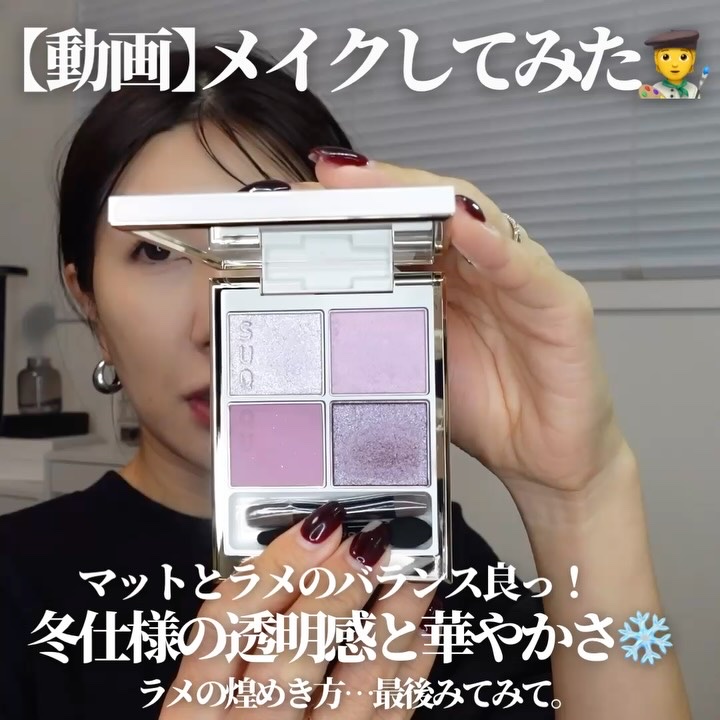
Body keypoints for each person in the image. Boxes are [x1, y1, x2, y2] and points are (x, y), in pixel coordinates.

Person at [0, 42, 691, 720]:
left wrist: (581, 495)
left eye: (271, 232)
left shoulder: (427, 553)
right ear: (88, 302)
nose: (222, 320)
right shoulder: (17, 584)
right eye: (157, 251)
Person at [644, 29, 701, 98]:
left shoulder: (693, 90)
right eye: (665, 57)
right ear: (656, 60)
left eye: (683, 57)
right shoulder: (655, 90)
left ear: (692, 60)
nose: (674, 64)